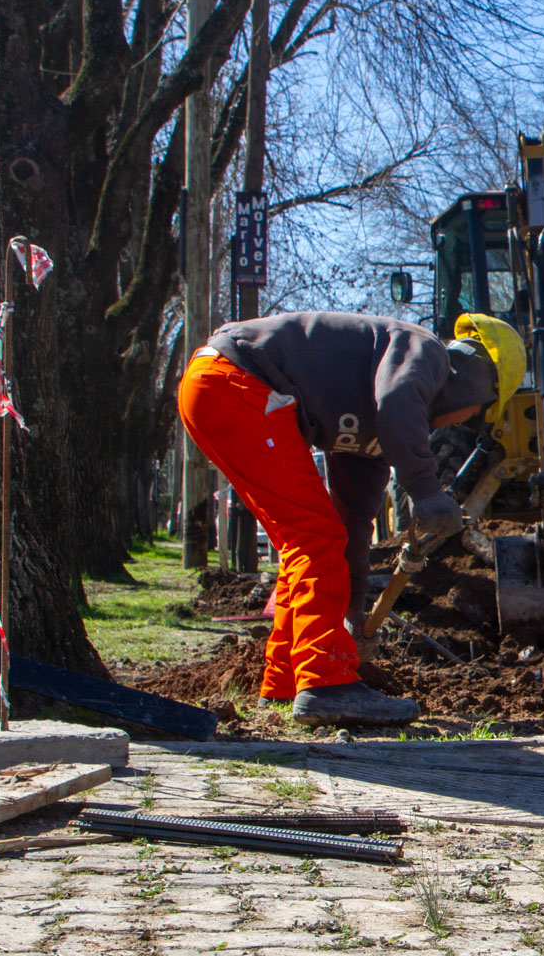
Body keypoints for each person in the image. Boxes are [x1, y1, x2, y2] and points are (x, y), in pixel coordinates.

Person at [178, 311, 522, 726]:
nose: (467, 421)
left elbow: (353, 525)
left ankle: (286, 681)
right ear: (474, 384)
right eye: (479, 410)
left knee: (312, 539)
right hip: (237, 382)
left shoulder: (373, 433)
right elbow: (399, 402)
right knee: (315, 536)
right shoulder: (425, 351)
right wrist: (427, 493)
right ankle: (325, 684)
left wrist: (353, 609)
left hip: (220, 387)